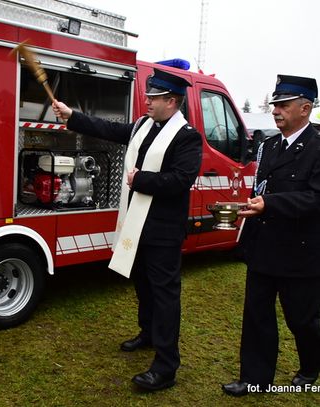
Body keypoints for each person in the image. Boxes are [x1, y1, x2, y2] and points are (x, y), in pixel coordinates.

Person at [52, 68, 202, 392]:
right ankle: (148, 334)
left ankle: (166, 366)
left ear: (172, 101)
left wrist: (140, 180)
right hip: (137, 224)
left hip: (162, 232)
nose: (146, 100)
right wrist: (72, 116)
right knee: (143, 286)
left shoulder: (187, 137)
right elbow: (109, 129)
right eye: (148, 95)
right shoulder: (142, 126)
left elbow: (180, 180)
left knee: (165, 296)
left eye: (154, 96)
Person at [223, 74, 320, 396]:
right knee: (257, 317)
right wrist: (251, 206)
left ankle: (310, 366)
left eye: (283, 105)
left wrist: (271, 204)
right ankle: (255, 379)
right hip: (264, 247)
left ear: (305, 108)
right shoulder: (268, 146)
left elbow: (316, 198)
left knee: (302, 320)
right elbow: (261, 189)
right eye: (275, 105)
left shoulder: (317, 147)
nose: (276, 110)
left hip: (301, 252)